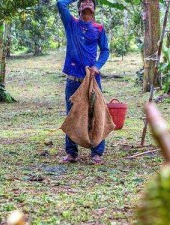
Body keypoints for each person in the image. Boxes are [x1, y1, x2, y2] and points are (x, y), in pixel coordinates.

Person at [57, 0, 110, 164]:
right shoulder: (71, 23)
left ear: (94, 9)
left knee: (96, 113)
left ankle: (97, 153)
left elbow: (105, 50)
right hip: (73, 79)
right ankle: (72, 153)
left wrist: (98, 66)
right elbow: (60, 3)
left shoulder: (99, 28)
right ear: (79, 7)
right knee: (72, 114)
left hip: (92, 79)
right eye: (84, 1)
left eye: (91, 2)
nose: (87, 3)